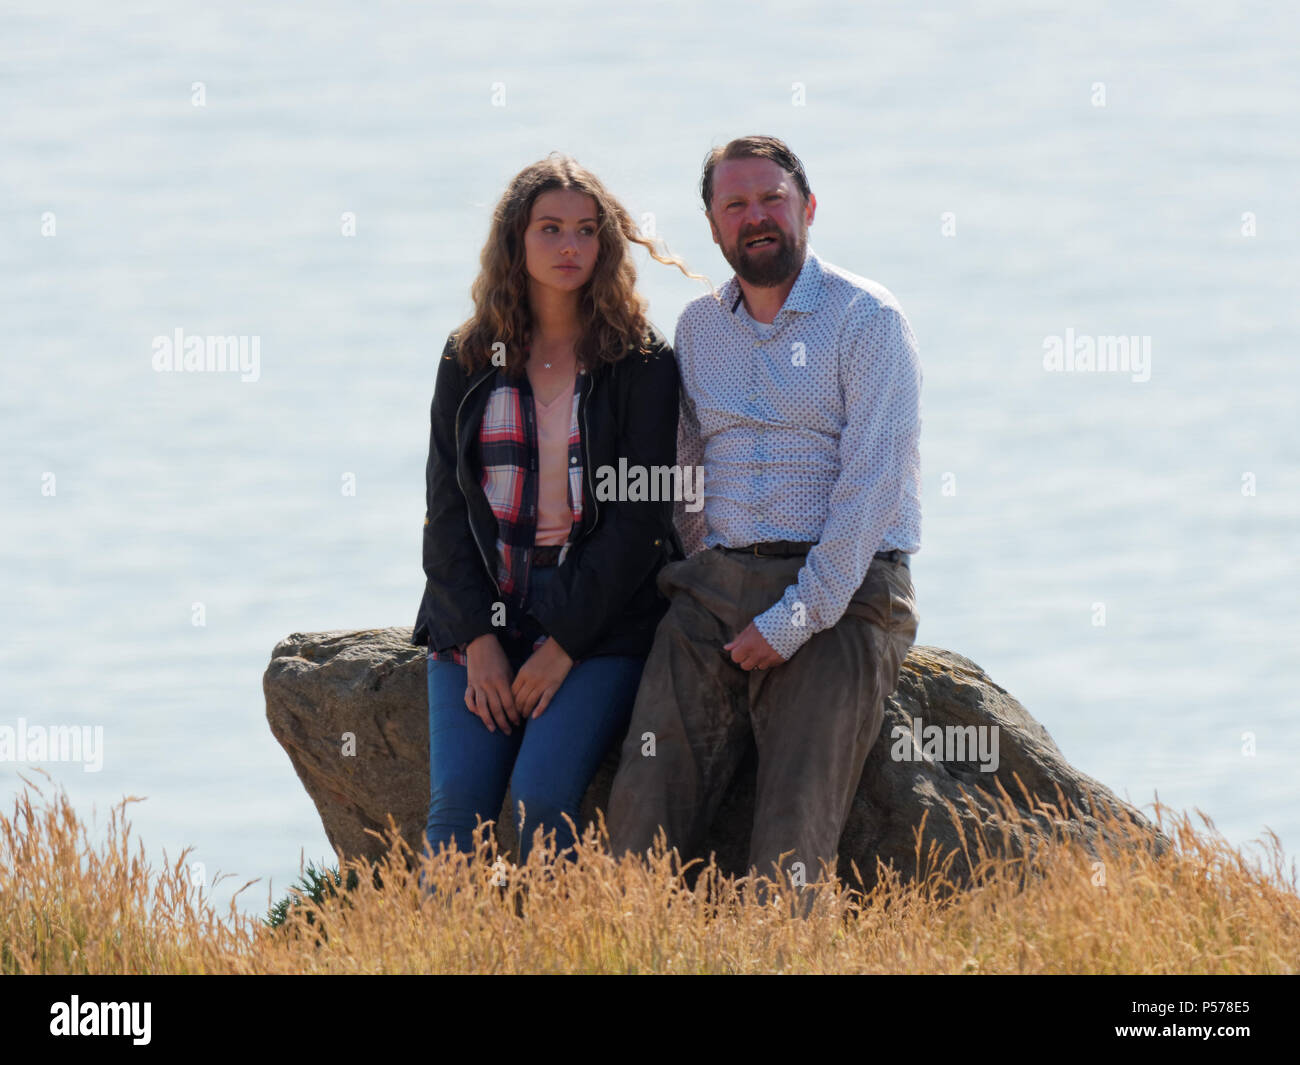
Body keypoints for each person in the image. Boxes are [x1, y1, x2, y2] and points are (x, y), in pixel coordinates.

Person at [605, 136, 923, 905]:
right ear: (714, 228)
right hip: (715, 587)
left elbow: (871, 489)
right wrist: (706, 579)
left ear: (807, 208)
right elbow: (686, 480)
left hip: (844, 590)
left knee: (792, 828)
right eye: (735, 204)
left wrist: (792, 619)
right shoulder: (697, 330)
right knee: (638, 814)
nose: (757, 217)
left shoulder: (866, 319)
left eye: (772, 198)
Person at [411, 153, 692, 873]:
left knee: (541, 798)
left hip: (600, 619)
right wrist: (476, 638)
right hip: (486, 607)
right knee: (457, 813)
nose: (570, 246)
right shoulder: (470, 355)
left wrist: (562, 643)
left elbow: (641, 523)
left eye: (586, 231)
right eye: (550, 229)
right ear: (516, 240)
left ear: (606, 245)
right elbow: (445, 511)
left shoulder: (640, 362)